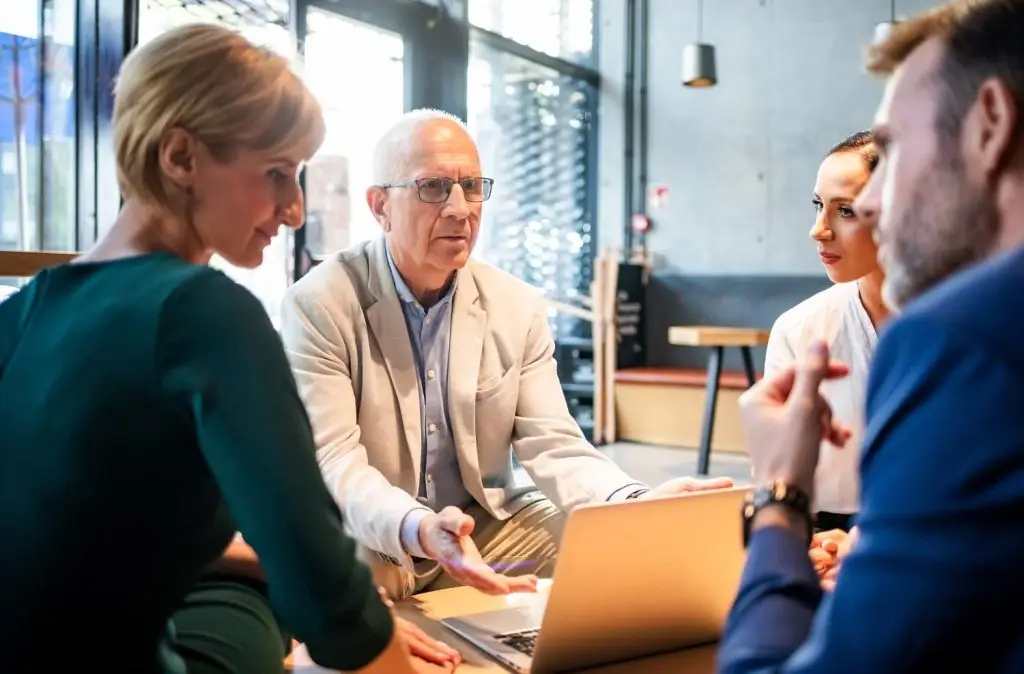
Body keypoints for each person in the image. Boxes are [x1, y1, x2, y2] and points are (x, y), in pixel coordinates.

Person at [0, 23, 427, 674]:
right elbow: (326, 594)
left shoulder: (26, 311)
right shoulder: (203, 310)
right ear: (180, 157)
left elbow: (81, 534)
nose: (294, 210)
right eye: (278, 174)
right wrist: (370, 636)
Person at [280, 108, 732, 600]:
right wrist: (418, 526)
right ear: (379, 205)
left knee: (620, 548)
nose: (459, 208)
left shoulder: (515, 305)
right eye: (433, 187)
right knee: (343, 584)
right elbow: (336, 462)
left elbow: (554, 443)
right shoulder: (320, 303)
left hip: (488, 530)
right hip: (377, 534)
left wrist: (637, 504)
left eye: (471, 186)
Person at [718, 0, 1024, 671]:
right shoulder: (812, 326)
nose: (877, 205)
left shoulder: (962, 340)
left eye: (897, 151)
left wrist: (778, 497)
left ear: (992, 123)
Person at [765, 130, 887, 535]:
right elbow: (776, 475)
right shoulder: (799, 330)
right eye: (818, 206)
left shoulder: (967, 325)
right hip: (822, 536)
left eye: (845, 211)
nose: (819, 230)